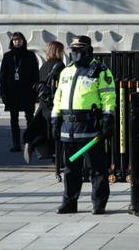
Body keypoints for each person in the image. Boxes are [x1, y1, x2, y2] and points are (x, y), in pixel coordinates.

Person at [51, 35, 115, 214]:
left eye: (80, 50)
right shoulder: (66, 71)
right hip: (68, 129)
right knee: (71, 169)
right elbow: (58, 98)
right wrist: (55, 120)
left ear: (88, 51)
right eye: (73, 50)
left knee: (97, 169)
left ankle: (99, 203)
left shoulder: (100, 71)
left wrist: (108, 119)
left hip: (90, 128)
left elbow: (108, 97)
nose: (76, 53)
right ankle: (69, 202)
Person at [23, 41, 66, 163]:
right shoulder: (60, 66)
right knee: (55, 133)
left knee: (46, 131)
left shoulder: (44, 66)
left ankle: (34, 145)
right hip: (53, 104)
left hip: (43, 104)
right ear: (59, 51)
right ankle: (34, 145)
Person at [0, 32, 39, 152]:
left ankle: (30, 142)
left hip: (27, 92)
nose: (17, 42)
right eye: (15, 40)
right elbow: (2, 76)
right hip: (12, 93)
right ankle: (16, 144)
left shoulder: (30, 55)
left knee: (30, 118)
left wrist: (35, 92)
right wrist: (3, 93)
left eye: (19, 40)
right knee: (14, 119)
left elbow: (35, 75)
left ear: (23, 41)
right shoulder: (7, 56)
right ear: (12, 42)